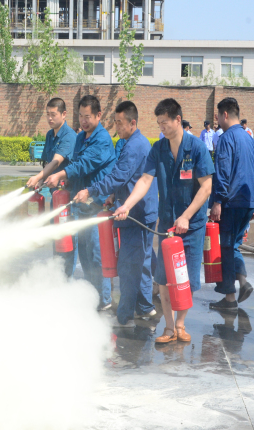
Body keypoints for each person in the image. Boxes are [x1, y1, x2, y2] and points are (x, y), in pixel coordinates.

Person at [114, 98, 214, 344]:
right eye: (159, 123)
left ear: (178, 120)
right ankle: (169, 327)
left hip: (192, 225)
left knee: (186, 279)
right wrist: (126, 205)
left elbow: (206, 187)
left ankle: (181, 324)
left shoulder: (197, 148)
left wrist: (186, 216)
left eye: (165, 123)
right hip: (168, 225)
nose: (162, 128)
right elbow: (145, 180)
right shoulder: (158, 149)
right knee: (165, 278)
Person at [74, 101, 158, 327]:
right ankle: (145, 307)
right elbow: (127, 177)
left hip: (136, 215)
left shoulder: (134, 146)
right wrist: (113, 195)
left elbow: (118, 176)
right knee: (141, 262)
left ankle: (124, 316)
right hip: (141, 211)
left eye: (120, 123)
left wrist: (91, 190)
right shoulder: (133, 142)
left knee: (128, 265)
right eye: (115, 122)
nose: (117, 127)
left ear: (133, 123)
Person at [45, 95, 116, 311]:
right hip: (82, 207)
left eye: (87, 117)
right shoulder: (80, 138)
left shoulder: (102, 139)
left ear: (98, 115)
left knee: (96, 254)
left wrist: (60, 174)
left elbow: (83, 165)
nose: (83, 121)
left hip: (98, 206)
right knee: (85, 255)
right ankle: (92, 296)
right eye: (81, 117)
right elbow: (76, 167)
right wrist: (66, 183)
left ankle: (104, 299)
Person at [208, 98, 254, 311]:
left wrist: (217, 201)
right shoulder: (249, 138)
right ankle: (243, 282)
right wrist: (253, 200)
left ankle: (229, 298)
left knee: (226, 248)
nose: (218, 121)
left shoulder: (226, 138)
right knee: (234, 245)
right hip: (246, 202)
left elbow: (223, 171)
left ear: (225, 114)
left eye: (218, 116)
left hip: (231, 202)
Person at [26, 98, 77, 277]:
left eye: (53, 114)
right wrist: (40, 181)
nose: (49, 118)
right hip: (55, 196)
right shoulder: (50, 135)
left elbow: (56, 161)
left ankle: (67, 280)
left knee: (66, 240)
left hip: (68, 198)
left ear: (64, 114)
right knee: (57, 237)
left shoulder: (69, 136)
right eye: (47, 114)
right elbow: (47, 163)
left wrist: (38, 177)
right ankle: (58, 277)